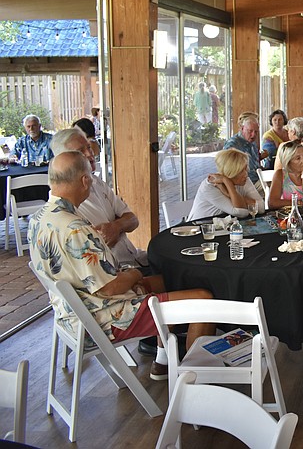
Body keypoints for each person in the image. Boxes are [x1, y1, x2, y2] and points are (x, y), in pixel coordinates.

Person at [28, 151, 215, 380]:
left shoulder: (39, 219)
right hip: (104, 319)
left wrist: (132, 279)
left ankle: (164, 359)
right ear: (85, 181)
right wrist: (135, 274)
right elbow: (110, 288)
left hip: (72, 314)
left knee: (169, 280)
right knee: (204, 298)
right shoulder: (75, 228)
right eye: (90, 177)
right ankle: (193, 381)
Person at [51, 128, 147, 269]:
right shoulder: (65, 204)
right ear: (64, 161)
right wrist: (120, 223)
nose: (90, 154)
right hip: (119, 271)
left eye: (89, 147)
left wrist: (116, 226)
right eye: (80, 151)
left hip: (136, 258)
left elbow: (133, 220)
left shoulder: (96, 182)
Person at [188, 148, 264, 220]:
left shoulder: (244, 181)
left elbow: (261, 208)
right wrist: (227, 182)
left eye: (246, 169)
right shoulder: (210, 186)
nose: (246, 174)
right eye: (241, 171)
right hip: (199, 226)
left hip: (223, 225)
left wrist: (229, 194)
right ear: (230, 171)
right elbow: (241, 212)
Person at [224, 112, 266, 186]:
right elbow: (227, 172)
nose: (253, 135)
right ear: (242, 128)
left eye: (256, 132)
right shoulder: (232, 145)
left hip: (258, 179)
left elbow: (255, 165)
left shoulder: (252, 143)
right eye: (250, 131)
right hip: (244, 185)